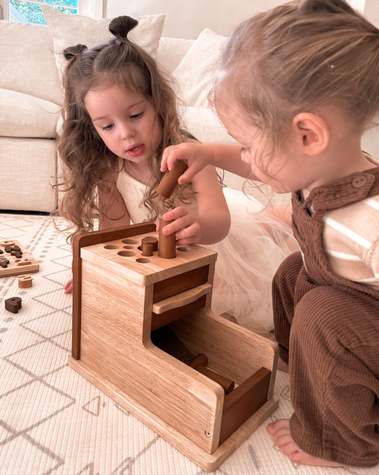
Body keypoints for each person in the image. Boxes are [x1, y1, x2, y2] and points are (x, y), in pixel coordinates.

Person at [161, 0, 379, 467]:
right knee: (293, 270)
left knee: (320, 311)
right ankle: (300, 363)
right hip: (356, 307)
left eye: (248, 146)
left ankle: (338, 442)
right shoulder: (316, 169)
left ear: (308, 136)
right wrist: (211, 155)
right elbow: (265, 166)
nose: (247, 158)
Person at [55, 15, 294, 334]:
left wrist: (199, 228)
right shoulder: (108, 169)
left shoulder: (188, 154)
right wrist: (95, 265)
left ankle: (288, 215)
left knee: (224, 313)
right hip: (161, 254)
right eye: (107, 126)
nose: (126, 133)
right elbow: (114, 228)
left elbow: (219, 221)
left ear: (158, 104)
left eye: (136, 115)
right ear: (92, 129)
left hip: (207, 248)